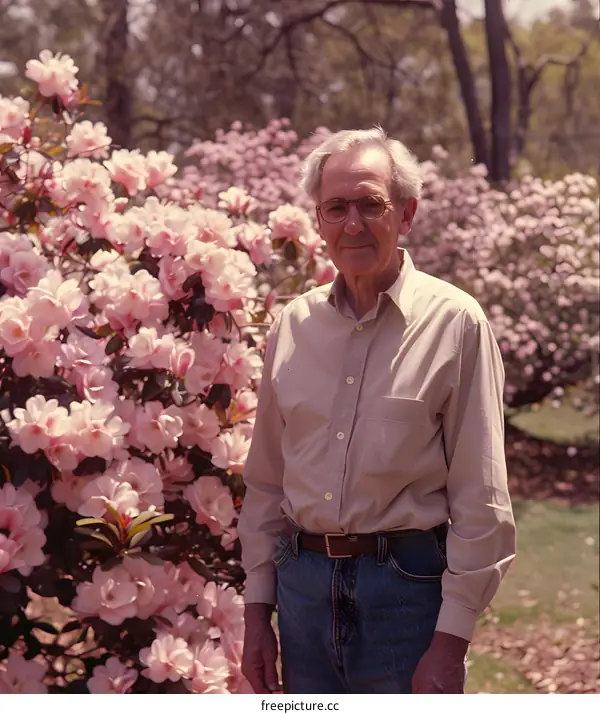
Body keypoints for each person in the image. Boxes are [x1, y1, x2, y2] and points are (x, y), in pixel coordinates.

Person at [237, 127, 516, 695]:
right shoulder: (292, 326)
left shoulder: (455, 324)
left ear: (407, 214)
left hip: (406, 593)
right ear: (318, 221)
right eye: (336, 208)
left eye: (371, 204)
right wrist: (255, 611)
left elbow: (480, 497)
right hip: (301, 592)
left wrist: (451, 641)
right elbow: (266, 482)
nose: (353, 224)